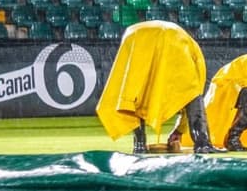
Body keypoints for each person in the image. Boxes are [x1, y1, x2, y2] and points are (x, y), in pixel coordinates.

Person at [95, 20, 224, 154]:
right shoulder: (192, 47)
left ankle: (139, 144)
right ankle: (202, 143)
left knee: (134, 95)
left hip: (136, 37)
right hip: (172, 39)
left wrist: (179, 130)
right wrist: (180, 130)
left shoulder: (135, 33)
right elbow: (194, 94)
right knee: (191, 92)